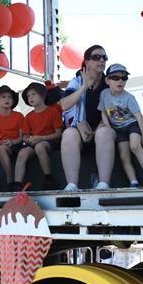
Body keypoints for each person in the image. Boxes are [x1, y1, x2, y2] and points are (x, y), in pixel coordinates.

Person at [60, 45, 114, 191]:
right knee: (69, 134)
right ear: (87, 62)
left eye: (104, 57)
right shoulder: (77, 80)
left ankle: (103, 184)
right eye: (96, 57)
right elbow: (64, 105)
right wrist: (84, 87)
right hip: (81, 130)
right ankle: (72, 185)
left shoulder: (110, 81)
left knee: (103, 132)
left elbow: (119, 109)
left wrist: (103, 124)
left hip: (105, 128)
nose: (101, 60)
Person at [98, 64, 143, 187]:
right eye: (116, 77)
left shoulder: (129, 97)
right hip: (118, 129)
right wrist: (108, 126)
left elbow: (139, 117)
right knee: (124, 155)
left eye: (124, 78)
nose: (120, 81)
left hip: (131, 125)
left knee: (135, 146)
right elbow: (103, 111)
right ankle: (133, 181)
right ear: (107, 80)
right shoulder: (104, 94)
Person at [14, 83, 63, 190]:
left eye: (33, 94)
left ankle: (48, 177)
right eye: (28, 96)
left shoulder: (53, 112)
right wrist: (28, 140)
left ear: (43, 96)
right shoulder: (28, 117)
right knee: (22, 152)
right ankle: (17, 184)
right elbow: (25, 136)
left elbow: (59, 133)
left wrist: (41, 138)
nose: (30, 97)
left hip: (50, 141)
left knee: (40, 146)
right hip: (35, 142)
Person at [0, 85, 24, 188]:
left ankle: (10, 181)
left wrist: (12, 142)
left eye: (9, 97)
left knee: (0, 149)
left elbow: (22, 137)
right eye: (3, 97)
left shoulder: (19, 116)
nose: (7, 99)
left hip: (14, 145)